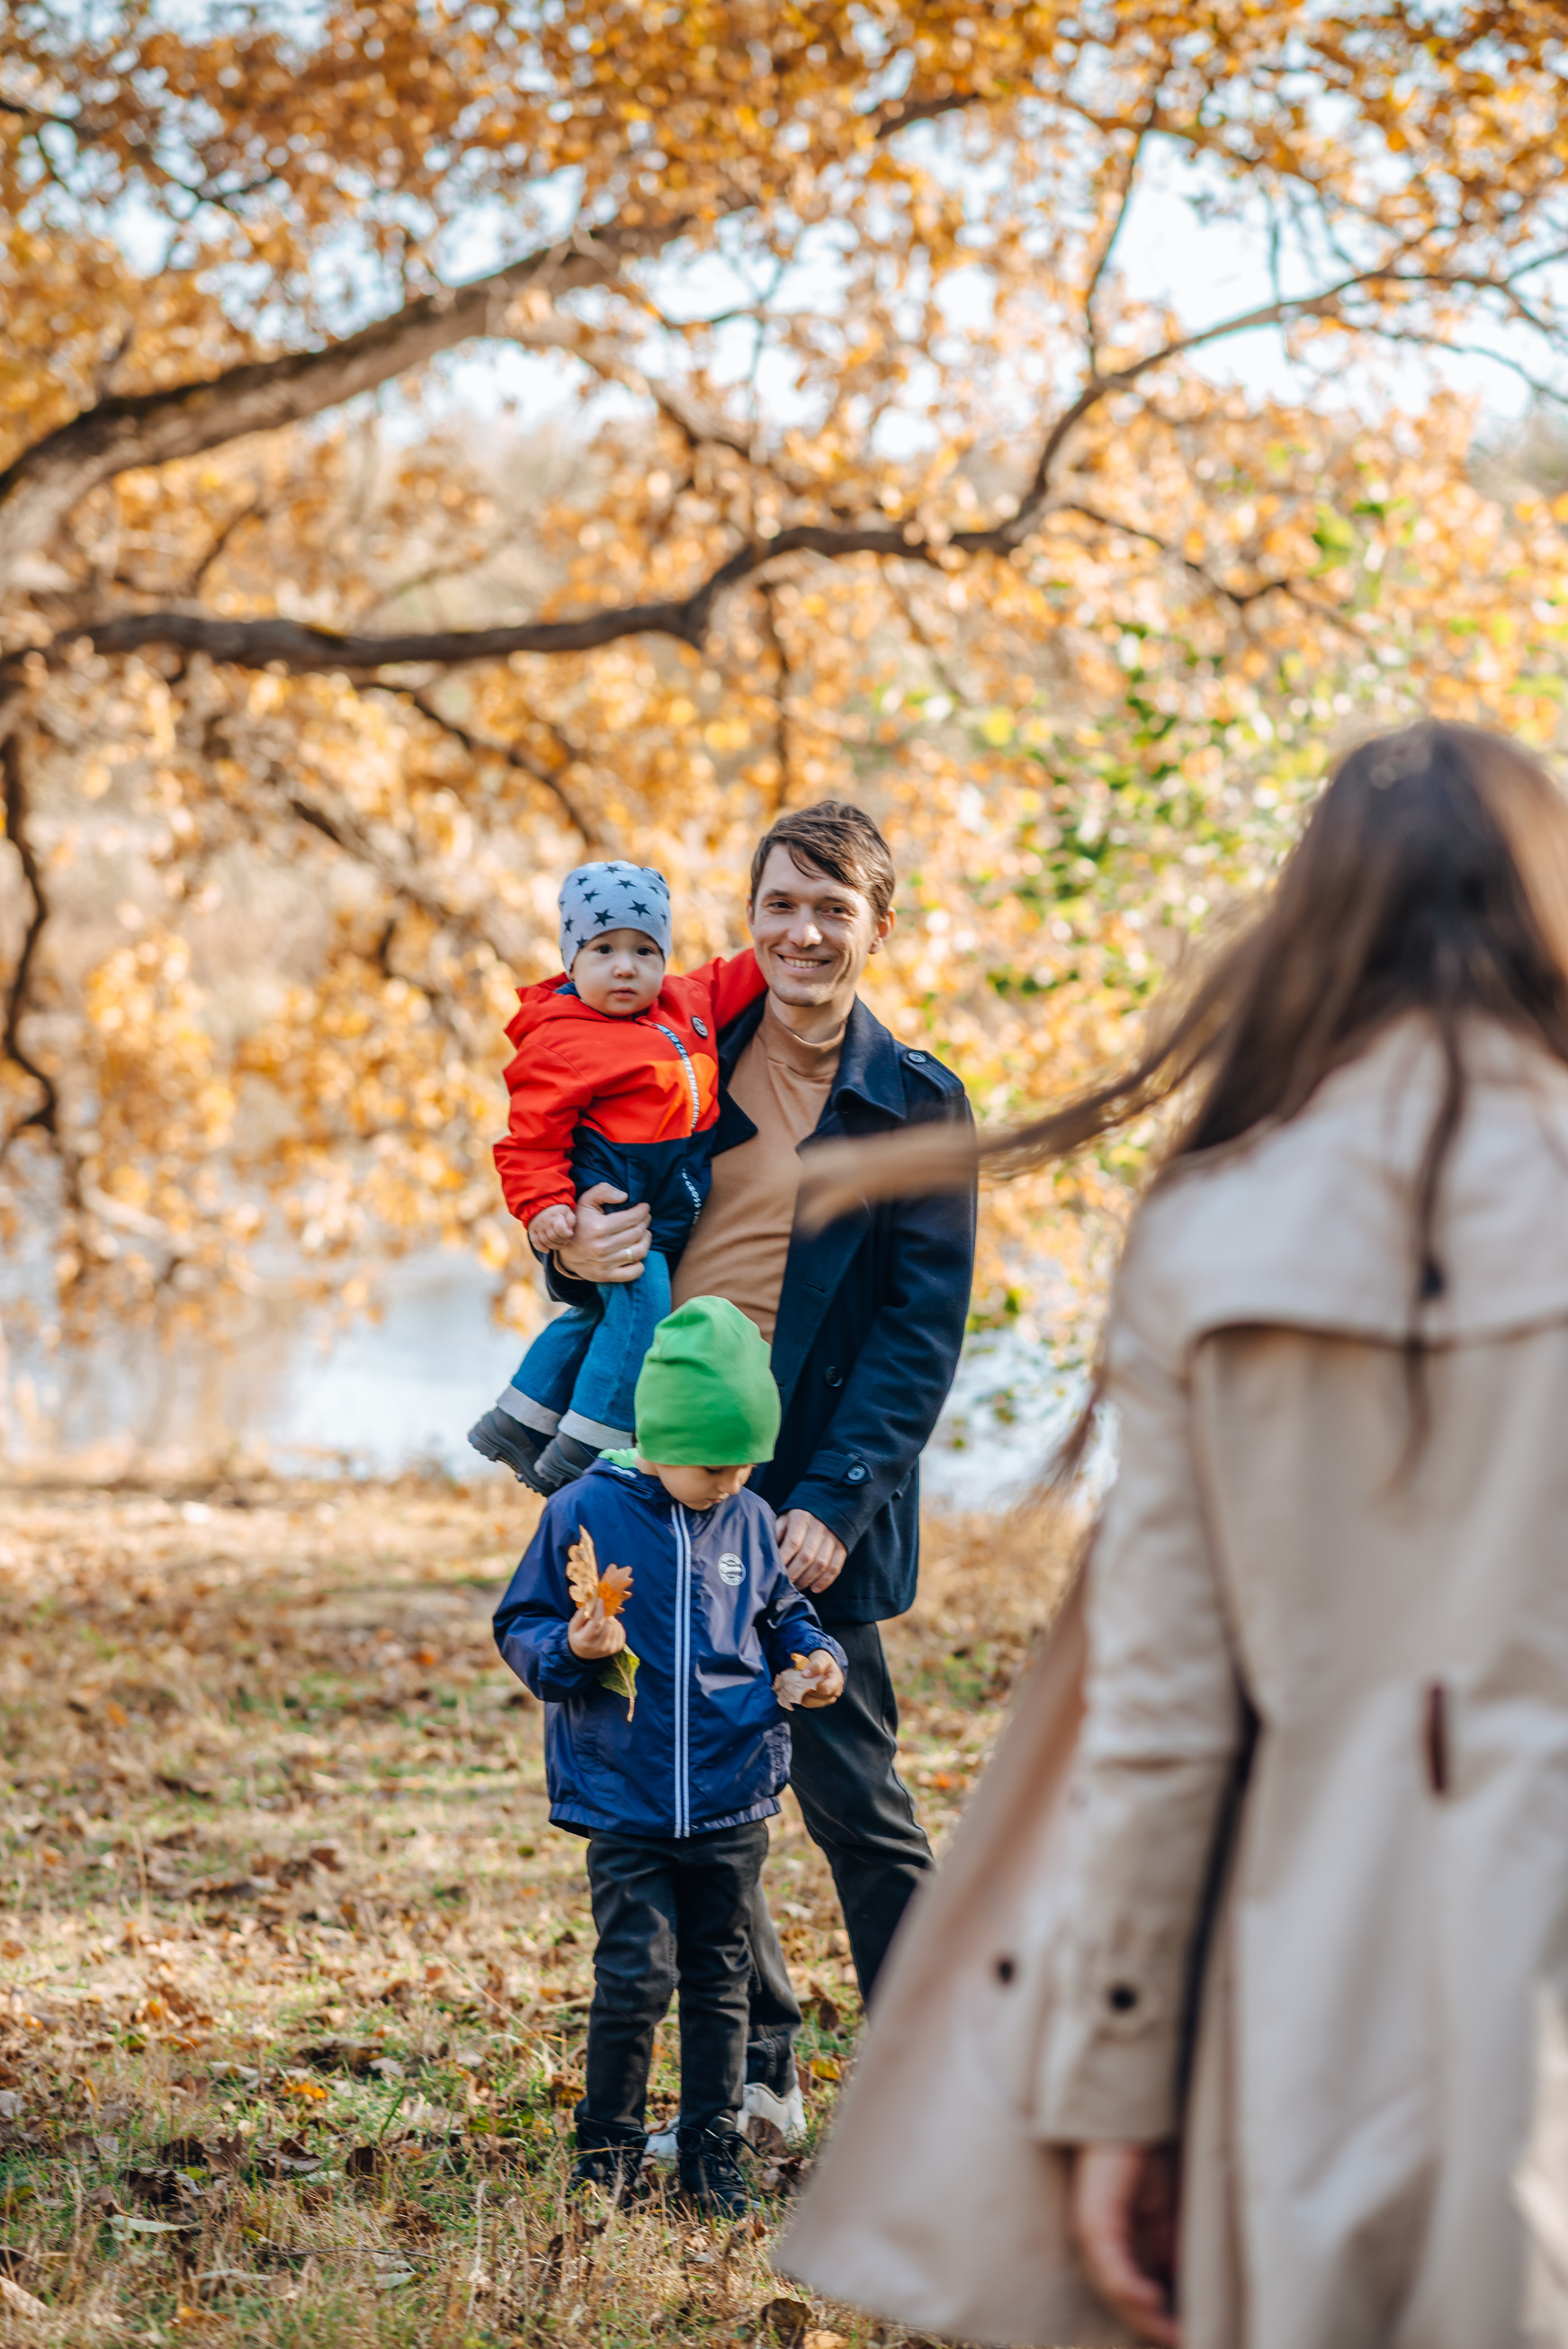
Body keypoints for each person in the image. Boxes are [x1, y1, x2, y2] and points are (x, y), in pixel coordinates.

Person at [784, 721, 1568, 2349]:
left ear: (1313, 925)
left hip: (1314, 1974)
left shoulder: (1214, 1234)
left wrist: (1112, 2085)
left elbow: (1159, 1731)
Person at [483, 801, 976, 2127]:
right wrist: (565, 1243)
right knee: (689, 1788)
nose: (803, 932)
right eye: (779, 906)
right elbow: (585, 1197)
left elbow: (917, 1338)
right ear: (748, 921)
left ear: (879, 924)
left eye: (832, 908)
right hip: (658, 1474)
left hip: (812, 1495)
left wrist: (822, 1507)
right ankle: (758, 2069)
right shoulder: (682, 1046)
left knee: (853, 1801)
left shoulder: (915, 1103)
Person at [492, 1295, 846, 2214]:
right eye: (712, 1461)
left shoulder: (749, 1517)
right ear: (656, 1436)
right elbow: (522, 1623)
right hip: (626, 1794)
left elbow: (784, 1617)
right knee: (634, 1975)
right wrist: (574, 1649)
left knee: (719, 1977)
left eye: (744, 1462)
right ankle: (604, 2149)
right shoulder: (583, 1509)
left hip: (732, 1791)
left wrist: (816, 1661)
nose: (730, 1479)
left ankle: (710, 2151)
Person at [471, 858, 764, 1493]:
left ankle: (518, 1421)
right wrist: (545, 1207)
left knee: (595, 1321)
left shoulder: (688, 1002)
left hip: (669, 1190)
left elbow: (747, 969)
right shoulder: (561, 1040)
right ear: (572, 960)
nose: (626, 966)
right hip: (623, 1204)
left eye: (644, 949)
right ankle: (589, 1443)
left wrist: (779, 946)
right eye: (603, 949)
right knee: (643, 1318)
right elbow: (528, 1141)